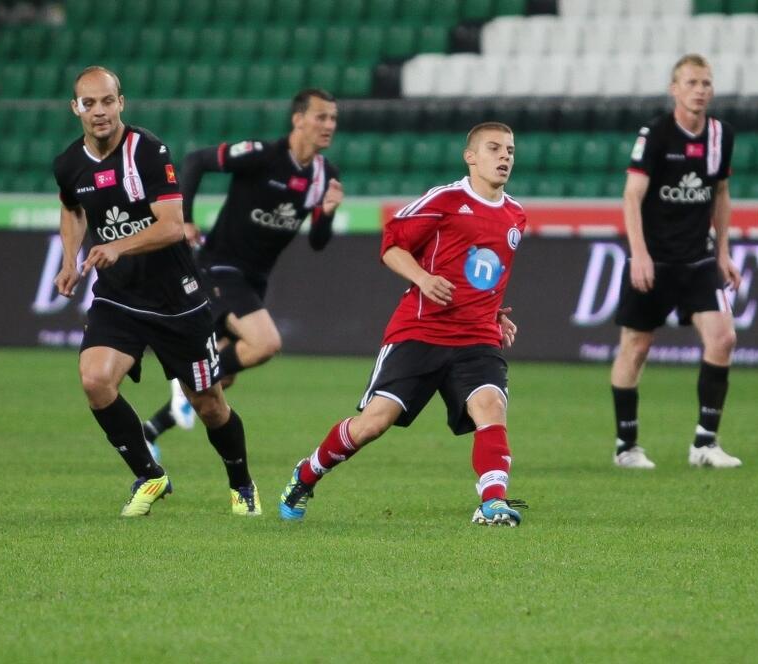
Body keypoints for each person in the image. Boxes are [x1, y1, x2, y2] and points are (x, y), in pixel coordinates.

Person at [279, 122, 529, 526]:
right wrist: (423, 279)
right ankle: (307, 473)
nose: (504, 157)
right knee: (373, 424)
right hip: (420, 332)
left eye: (510, 150)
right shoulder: (445, 199)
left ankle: (493, 502)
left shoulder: (515, 215)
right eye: (494, 148)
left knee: (491, 407)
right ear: (470, 157)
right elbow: (392, 244)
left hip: (476, 337)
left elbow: (486, 272)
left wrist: (494, 312)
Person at [52, 66, 259, 517]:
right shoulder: (68, 163)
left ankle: (241, 483)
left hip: (176, 300)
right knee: (95, 380)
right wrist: (70, 259)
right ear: (76, 108)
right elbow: (72, 208)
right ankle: (149, 475)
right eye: (89, 103)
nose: (100, 111)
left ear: (121, 101)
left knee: (209, 406)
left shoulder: (147, 151)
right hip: (118, 297)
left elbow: (170, 227)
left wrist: (116, 247)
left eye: (107, 101)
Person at [141, 88, 343, 462]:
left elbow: (317, 242)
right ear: (298, 119)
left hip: (254, 282)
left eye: (333, 118)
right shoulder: (262, 156)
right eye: (321, 117)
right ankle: (191, 376)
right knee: (265, 343)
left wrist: (327, 212)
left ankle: (149, 432)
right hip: (217, 267)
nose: (329, 125)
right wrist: (184, 220)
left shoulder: (323, 176)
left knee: (221, 380)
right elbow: (197, 160)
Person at [610, 54, 742, 470]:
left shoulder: (721, 135)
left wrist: (722, 251)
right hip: (655, 257)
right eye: (691, 82)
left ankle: (705, 442)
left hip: (699, 258)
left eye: (706, 82)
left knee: (723, 339)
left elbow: (720, 194)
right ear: (674, 89)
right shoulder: (656, 134)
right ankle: (626, 445)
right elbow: (632, 195)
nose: (700, 89)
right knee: (636, 346)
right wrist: (640, 254)